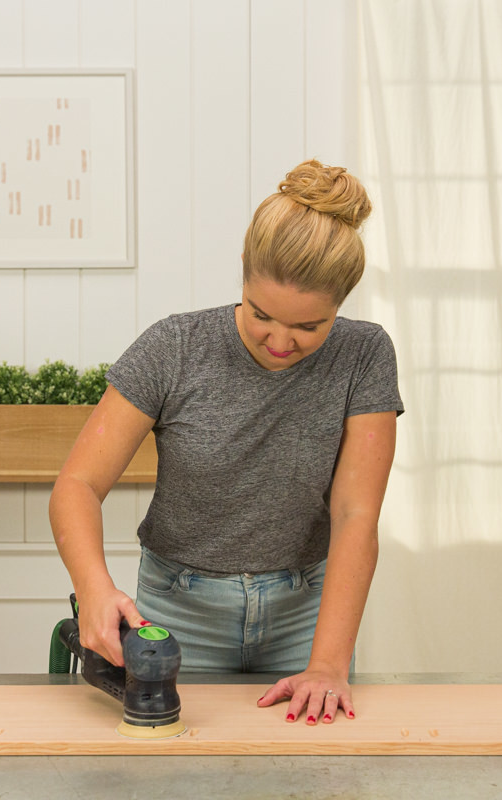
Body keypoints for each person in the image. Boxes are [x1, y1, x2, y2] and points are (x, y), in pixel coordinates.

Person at [49, 159, 402, 727]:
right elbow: (78, 485)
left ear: (341, 304)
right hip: (176, 612)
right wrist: (93, 588)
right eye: (262, 314)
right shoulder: (175, 346)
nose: (279, 341)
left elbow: (356, 513)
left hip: (306, 616)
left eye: (309, 327)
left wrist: (328, 664)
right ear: (243, 272)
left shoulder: (364, 355)